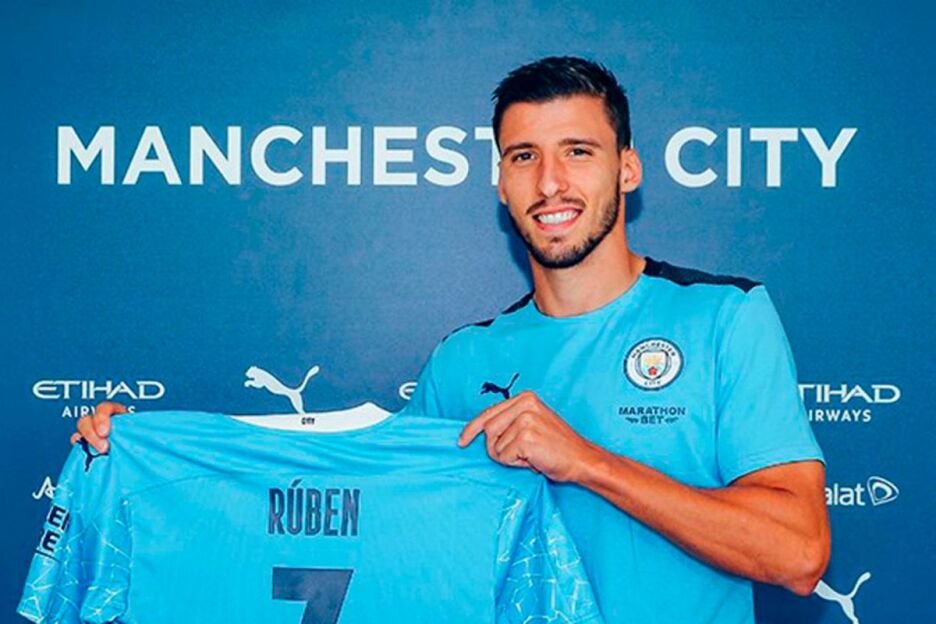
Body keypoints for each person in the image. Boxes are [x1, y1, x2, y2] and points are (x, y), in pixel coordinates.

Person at [73, 56, 830, 623]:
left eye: (578, 151)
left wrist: (588, 463)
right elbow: (354, 521)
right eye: (524, 157)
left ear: (627, 169)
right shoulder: (464, 361)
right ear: (500, 182)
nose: (551, 183)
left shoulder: (725, 317)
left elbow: (798, 555)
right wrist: (147, 454)